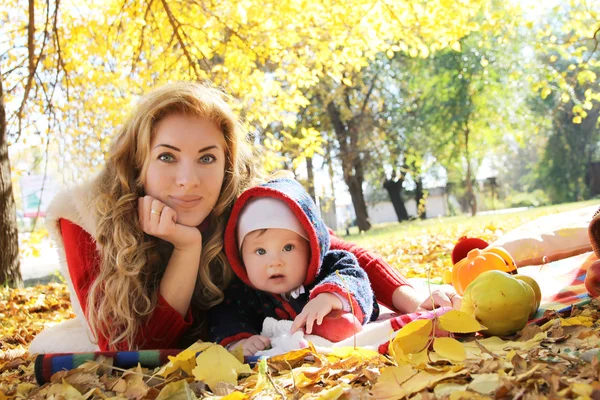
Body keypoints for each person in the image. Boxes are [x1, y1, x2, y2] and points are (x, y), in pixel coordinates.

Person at [29, 81, 459, 353]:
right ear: (138, 163)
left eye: (207, 158)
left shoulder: (240, 199)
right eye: (167, 157)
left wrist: (409, 298)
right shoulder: (86, 218)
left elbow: (332, 251)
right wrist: (187, 247)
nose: (187, 181)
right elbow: (137, 347)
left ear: (227, 164)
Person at [208, 178, 379, 354]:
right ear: (241, 257)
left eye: (288, 248)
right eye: (260, 251)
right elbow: (224, 317)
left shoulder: (328, 267)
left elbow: (355, 279)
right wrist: (240, 341)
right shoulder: (243, 294)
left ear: (311, 248)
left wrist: (330, 297)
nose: (275, 262)